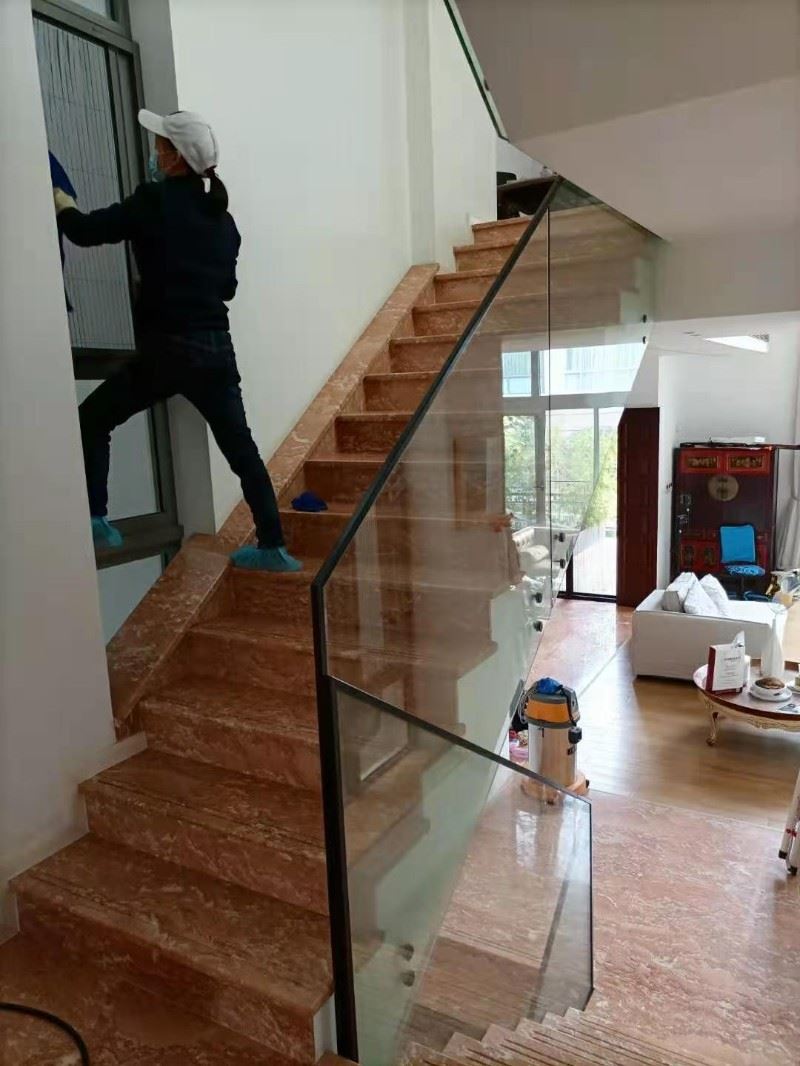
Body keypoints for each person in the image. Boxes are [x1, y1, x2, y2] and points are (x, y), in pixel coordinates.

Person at [53, 109, 300, 572]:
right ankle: (274, 547)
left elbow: (86, 233)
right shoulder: (224, 222)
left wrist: (62, 204)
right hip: (216, 352)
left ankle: (98, 521)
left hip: (167, 352)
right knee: (243, 452)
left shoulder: (154, 201)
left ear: (173, 159)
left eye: (159, 146)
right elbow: (227, 289)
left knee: (92, 420)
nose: (154, 153)